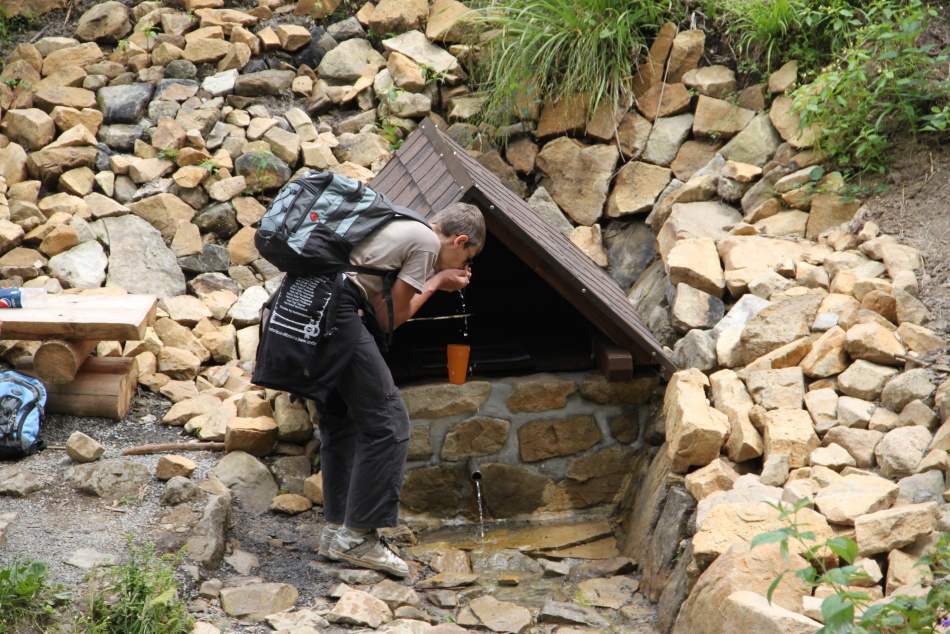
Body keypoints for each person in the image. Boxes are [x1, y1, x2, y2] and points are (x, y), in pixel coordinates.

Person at [309, 201, 485, 578]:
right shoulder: (426, 243)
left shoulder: (403, 222)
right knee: (391, 423)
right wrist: (437, 282)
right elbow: (389, 319)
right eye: (466, 258)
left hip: (310, 310)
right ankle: (358, 539)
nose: (462, 265)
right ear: (460, 240)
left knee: (341, 423)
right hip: (337, 317)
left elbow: (374, 302)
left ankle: (337, 531)